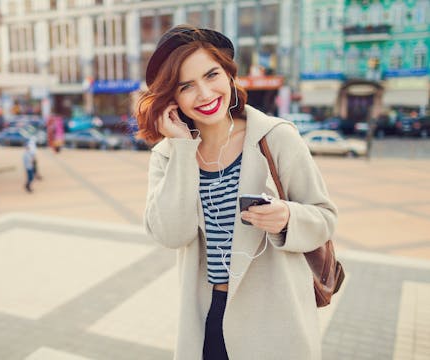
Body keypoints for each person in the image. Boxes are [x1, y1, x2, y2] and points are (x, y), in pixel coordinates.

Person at [136, 25, 337, 360]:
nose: (204, 93)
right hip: (207, 316)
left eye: (211, 75)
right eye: (186, 86)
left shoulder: (275, 138)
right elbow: (172, 235)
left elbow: (325, 217)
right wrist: (183, 149)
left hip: (275, 314)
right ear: (172, 97)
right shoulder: (168, 155)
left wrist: (288, 217)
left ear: (229, 75)